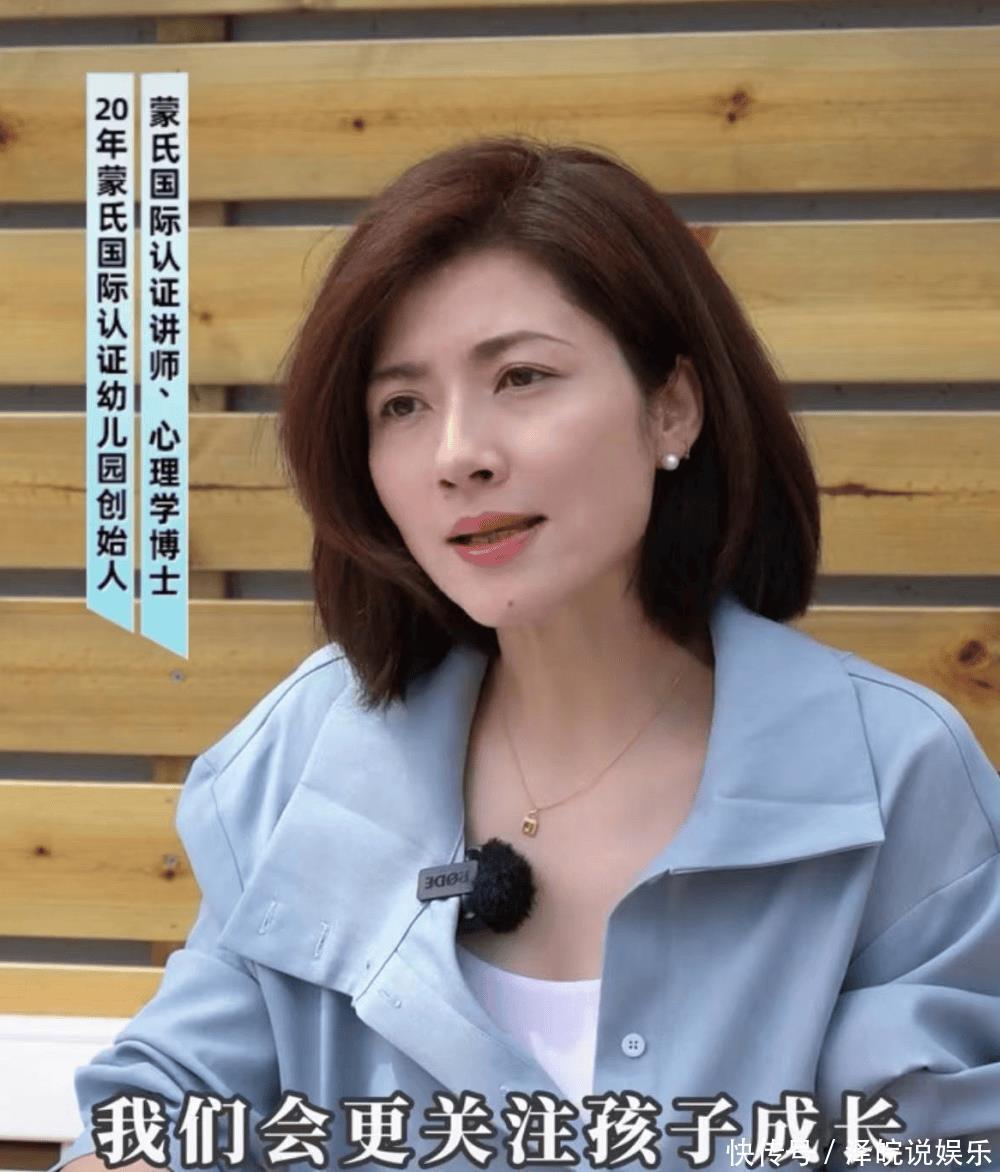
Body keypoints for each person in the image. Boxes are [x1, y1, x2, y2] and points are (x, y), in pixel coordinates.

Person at [53, 135, 999, 1172]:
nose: (459, 453)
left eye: (522, 376)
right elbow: (166, 1107)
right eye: (402, 405)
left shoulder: (890, 775)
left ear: (671, 406)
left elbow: (942, 1143)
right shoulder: (306, 754)